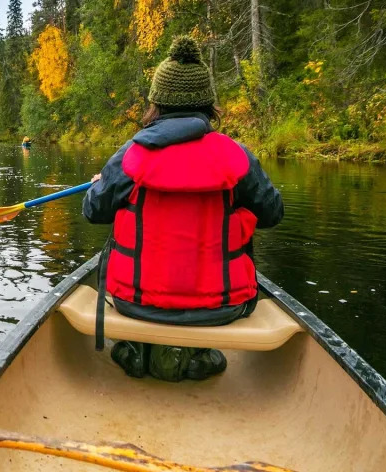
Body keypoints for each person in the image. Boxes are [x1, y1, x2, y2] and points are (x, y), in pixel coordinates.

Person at [83, 36, 283, 382]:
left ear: (156, 104)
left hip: (135, 303)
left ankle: (140, 349)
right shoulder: (236, 156)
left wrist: (100, 183)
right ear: (208, 105)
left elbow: (93, 210)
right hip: (224, 307)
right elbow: (272, 213)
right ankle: (193, 356)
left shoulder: (131, 155)